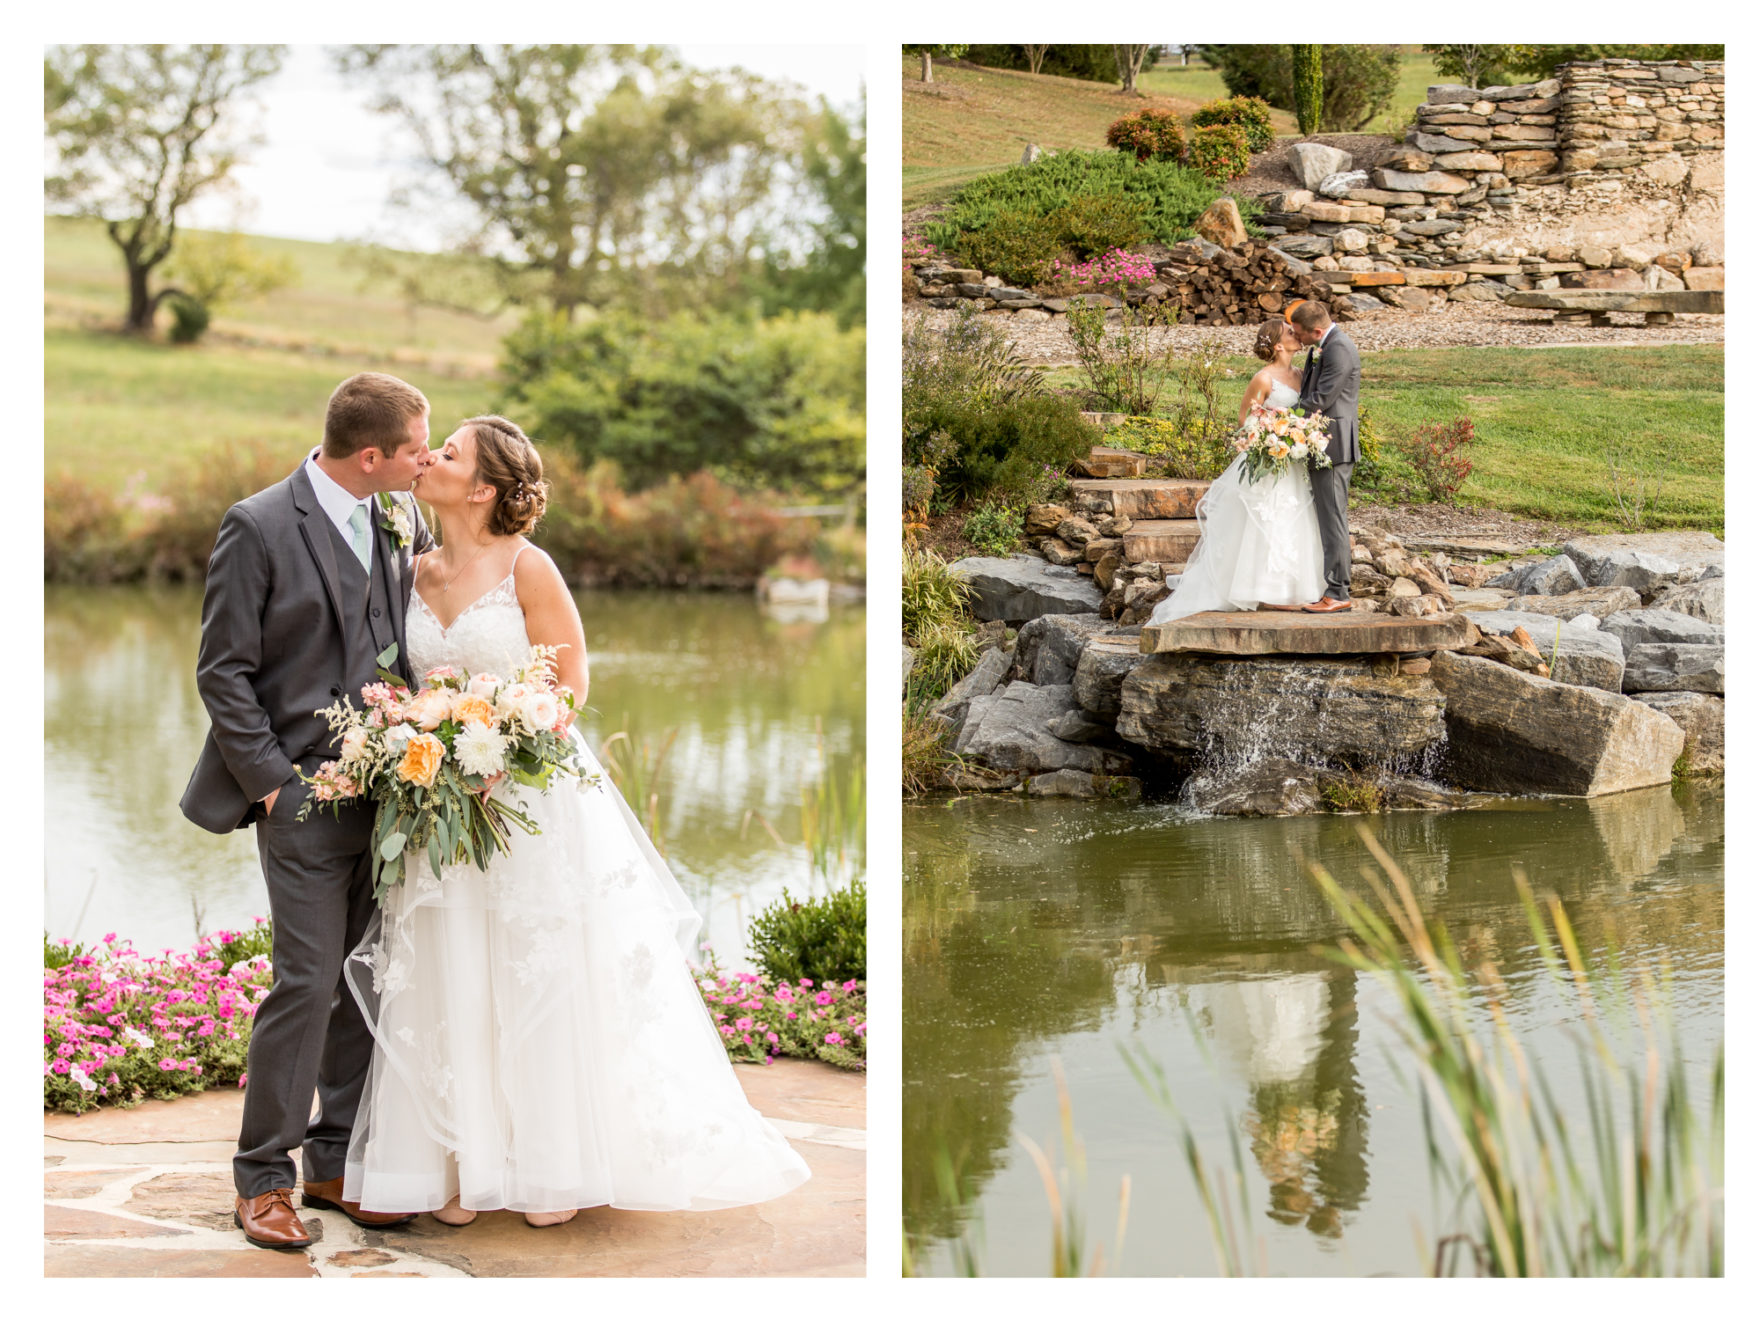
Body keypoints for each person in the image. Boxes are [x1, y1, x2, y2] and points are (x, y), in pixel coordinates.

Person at [340, 415, 810, 1226]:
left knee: (538, 970)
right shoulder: (408, 572)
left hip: (526, 801)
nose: (430, 459)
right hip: (438, 803)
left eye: (447, 453)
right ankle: (462, 1164)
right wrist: (425, 741)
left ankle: (551, 1168)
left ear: (483, 487)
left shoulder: (529, 567)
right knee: (454, 969)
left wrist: (501, 744)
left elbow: (570, 683)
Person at [182, 372, 437, 1250]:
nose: (425, 461)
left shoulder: (400, 515)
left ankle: (335, 1163)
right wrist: (273, 786)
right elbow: (224, 671)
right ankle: (263, 1179)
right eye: (415, 448)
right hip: (300, 797)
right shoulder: (256, 525)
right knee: (307, 978)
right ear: (372, 456)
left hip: (397, 792)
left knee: (364, 980)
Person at [1146, 318, 1328, 624]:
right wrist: (1273, 433)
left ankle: (1293, 587)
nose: (1296, 334)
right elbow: (1246, 418)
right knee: (1266, 521)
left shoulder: (1302, 374)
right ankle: (1262, 588)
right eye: (1289, 332)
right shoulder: (1263, 378)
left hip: (1293, 460)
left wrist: (1298, 432)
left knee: (1293, 517)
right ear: (1278, 345)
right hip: (1268, 459)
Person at [1287, 299, 1362, 613]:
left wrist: (1280, 416)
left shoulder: (1338, 349)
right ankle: (1328, 587)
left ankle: (1338, 592)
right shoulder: (1322, 345)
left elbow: (1321, 399)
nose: (1296, 338)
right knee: (1326, 517)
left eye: (1299, 333)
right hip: (1321, 443)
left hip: (1333, 446)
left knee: (1333, 520)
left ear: (1316, 330)